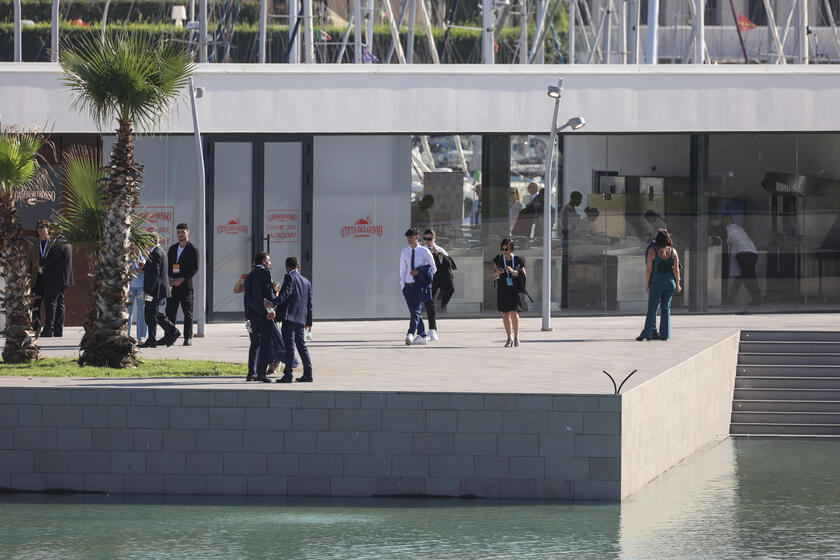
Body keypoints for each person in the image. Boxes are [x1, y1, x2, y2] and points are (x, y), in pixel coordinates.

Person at [269, 256, 314, 383]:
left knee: (289, 347)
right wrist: (309, 322)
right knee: (302, 346)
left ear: (287, 267)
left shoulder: (289, 276)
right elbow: (309, 304)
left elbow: (285, 293)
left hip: (289, 318)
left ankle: (288, 374)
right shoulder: (306, 282)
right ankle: (308, 374)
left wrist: (273, 303)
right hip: (301, 319)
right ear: (298, 266)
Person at [30, 219, 73, 337]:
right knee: (58, 303)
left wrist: (41, 262)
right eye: (38, 227)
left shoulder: (60, 242)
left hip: (55, 279)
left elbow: (52, 258)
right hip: (57, 279)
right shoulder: (64, 241)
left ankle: (49, 329)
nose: (40, 230)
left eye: (43, 227)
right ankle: (57, 330)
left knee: (51, 304)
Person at [637, 230, 681, 341]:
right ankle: (665, 335)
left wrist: (647, 284)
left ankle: (647, 334)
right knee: (666, 308)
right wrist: (678, 284)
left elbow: (648, 269)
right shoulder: (673, 251)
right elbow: (676, 269)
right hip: (670, 283)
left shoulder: (652, 251)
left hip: (657, 282)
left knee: (652, 308)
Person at [139, 235, 180, 348]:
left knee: (150, 313)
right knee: (153, 313)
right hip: (155, 290)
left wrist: (147, 291)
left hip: (154, 291)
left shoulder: (156, 253)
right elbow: (153, 269)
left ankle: (154, 339)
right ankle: (171, 331)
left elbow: (154, 275)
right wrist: (144, 267)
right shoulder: (158, 251)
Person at [243, 252, 276, 382]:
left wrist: (247, 316)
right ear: (263, 261)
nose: (270, 263)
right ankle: (261, 374)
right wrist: (271, 309)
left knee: (254, 344)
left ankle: (251, 373)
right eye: (268, 260)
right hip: (264, 314)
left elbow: (246, 298)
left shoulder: (249, 276)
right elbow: (267, 293)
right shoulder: (265, 273)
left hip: (252, 315)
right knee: (265, 344)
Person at [400, 227, 436, 345]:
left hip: (419, 286)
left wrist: (420, 271)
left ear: (417, 237)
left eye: (411, 237)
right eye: (408, 237)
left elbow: (433, 268)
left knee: (415, 311)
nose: (409, 239)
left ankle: (410, 333)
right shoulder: (404, 252)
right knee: (414, 312)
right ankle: (422, 335)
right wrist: (403, 286)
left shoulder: (425, 251)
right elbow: (403, 270)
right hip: (407, 286)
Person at [165, 223, 199, 346]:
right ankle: (170, 336)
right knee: (170, 312)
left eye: (182, 232)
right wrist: (169, 277)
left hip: (186, 287)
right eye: (178, 232)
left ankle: (187, 337)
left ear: (188, 232)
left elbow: (195, 268)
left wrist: (182, 278)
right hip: (173, 286)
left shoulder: (192, 249)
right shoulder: (173, 248)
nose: (180, 235)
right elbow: (168, 265)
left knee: (187, 313)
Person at [422, 229, 456, 341]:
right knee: (427, 304)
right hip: (424, 280)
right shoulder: (421, 250)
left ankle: (432, 329)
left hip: (437, 281)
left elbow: (448, 265)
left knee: (431, 302)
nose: (427, 241)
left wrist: (438, 254)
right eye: (425, 238)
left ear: (434, 239)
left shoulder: (440, 250)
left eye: (429, 239)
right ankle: (424, 330)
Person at [720, 214, 762, 306]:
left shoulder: (729, 229)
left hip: (744, 253)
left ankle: (757, 299)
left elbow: (727, 241)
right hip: (752, 252)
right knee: (743, 277)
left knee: (748, 277)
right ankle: (731, 297)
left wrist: (716, 225)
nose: (723, 222)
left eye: (723, 220)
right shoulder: (739, 228)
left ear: (727, 220)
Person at [492, 238, 526, 347]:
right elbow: (493, 275)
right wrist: (499, 272)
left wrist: (513, 271)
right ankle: (509, 337)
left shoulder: (517, 260)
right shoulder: (498, 259)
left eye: (506, 249)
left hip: (514, 290)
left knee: (514, 313)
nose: (504, 251)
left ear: (511, 248)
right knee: (505, 314)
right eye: (502, 249)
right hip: (502, 289)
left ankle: (516, 337)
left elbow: (523, 275)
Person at [127, 255, 147, 344]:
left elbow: (151, 270)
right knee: (127, 312)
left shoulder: (145, 255)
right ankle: (125, 336)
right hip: (129, 287)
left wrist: (143, 269)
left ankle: (141, 337)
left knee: (141, 312)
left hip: (142, 287)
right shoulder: (127, 255)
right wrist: (129, 271)